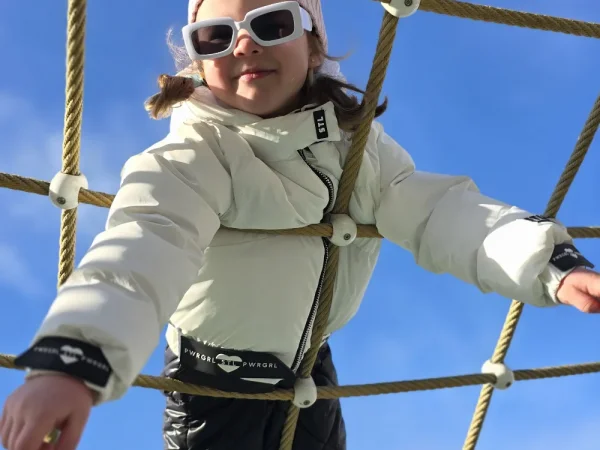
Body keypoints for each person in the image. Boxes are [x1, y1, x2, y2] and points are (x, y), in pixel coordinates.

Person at [1, 0, 599, 449]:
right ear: (198, 63)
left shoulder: (357, 150)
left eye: (271, 23)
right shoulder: (193, 156)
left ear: (313, 45)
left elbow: (439, 211)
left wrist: (549, 262)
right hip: (212, 384)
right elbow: (144, 244)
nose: (244, 44)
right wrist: (72, 362)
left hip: (311, 366)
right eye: (215, 35)